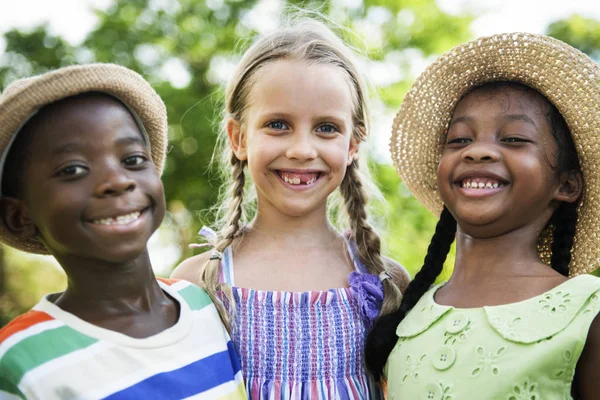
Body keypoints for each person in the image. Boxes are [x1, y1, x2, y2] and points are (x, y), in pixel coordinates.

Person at [172, 18, 410, 399]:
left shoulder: (385, 282)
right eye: (278, 124)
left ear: (353, 144)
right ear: (238, 138)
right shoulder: (199, 284)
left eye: (327, 128)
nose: (301, 149)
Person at [365, 32, 600, 399]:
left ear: (567, 184)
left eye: (514, 139)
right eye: (460, 139)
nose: (478, 151)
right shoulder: (407, 314)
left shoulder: (588, 311)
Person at [0, 64, 245, 399]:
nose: (117, 180)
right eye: (73, 169)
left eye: (131, 160)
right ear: (19, 216)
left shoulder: (206, 304)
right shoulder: (18, 360)